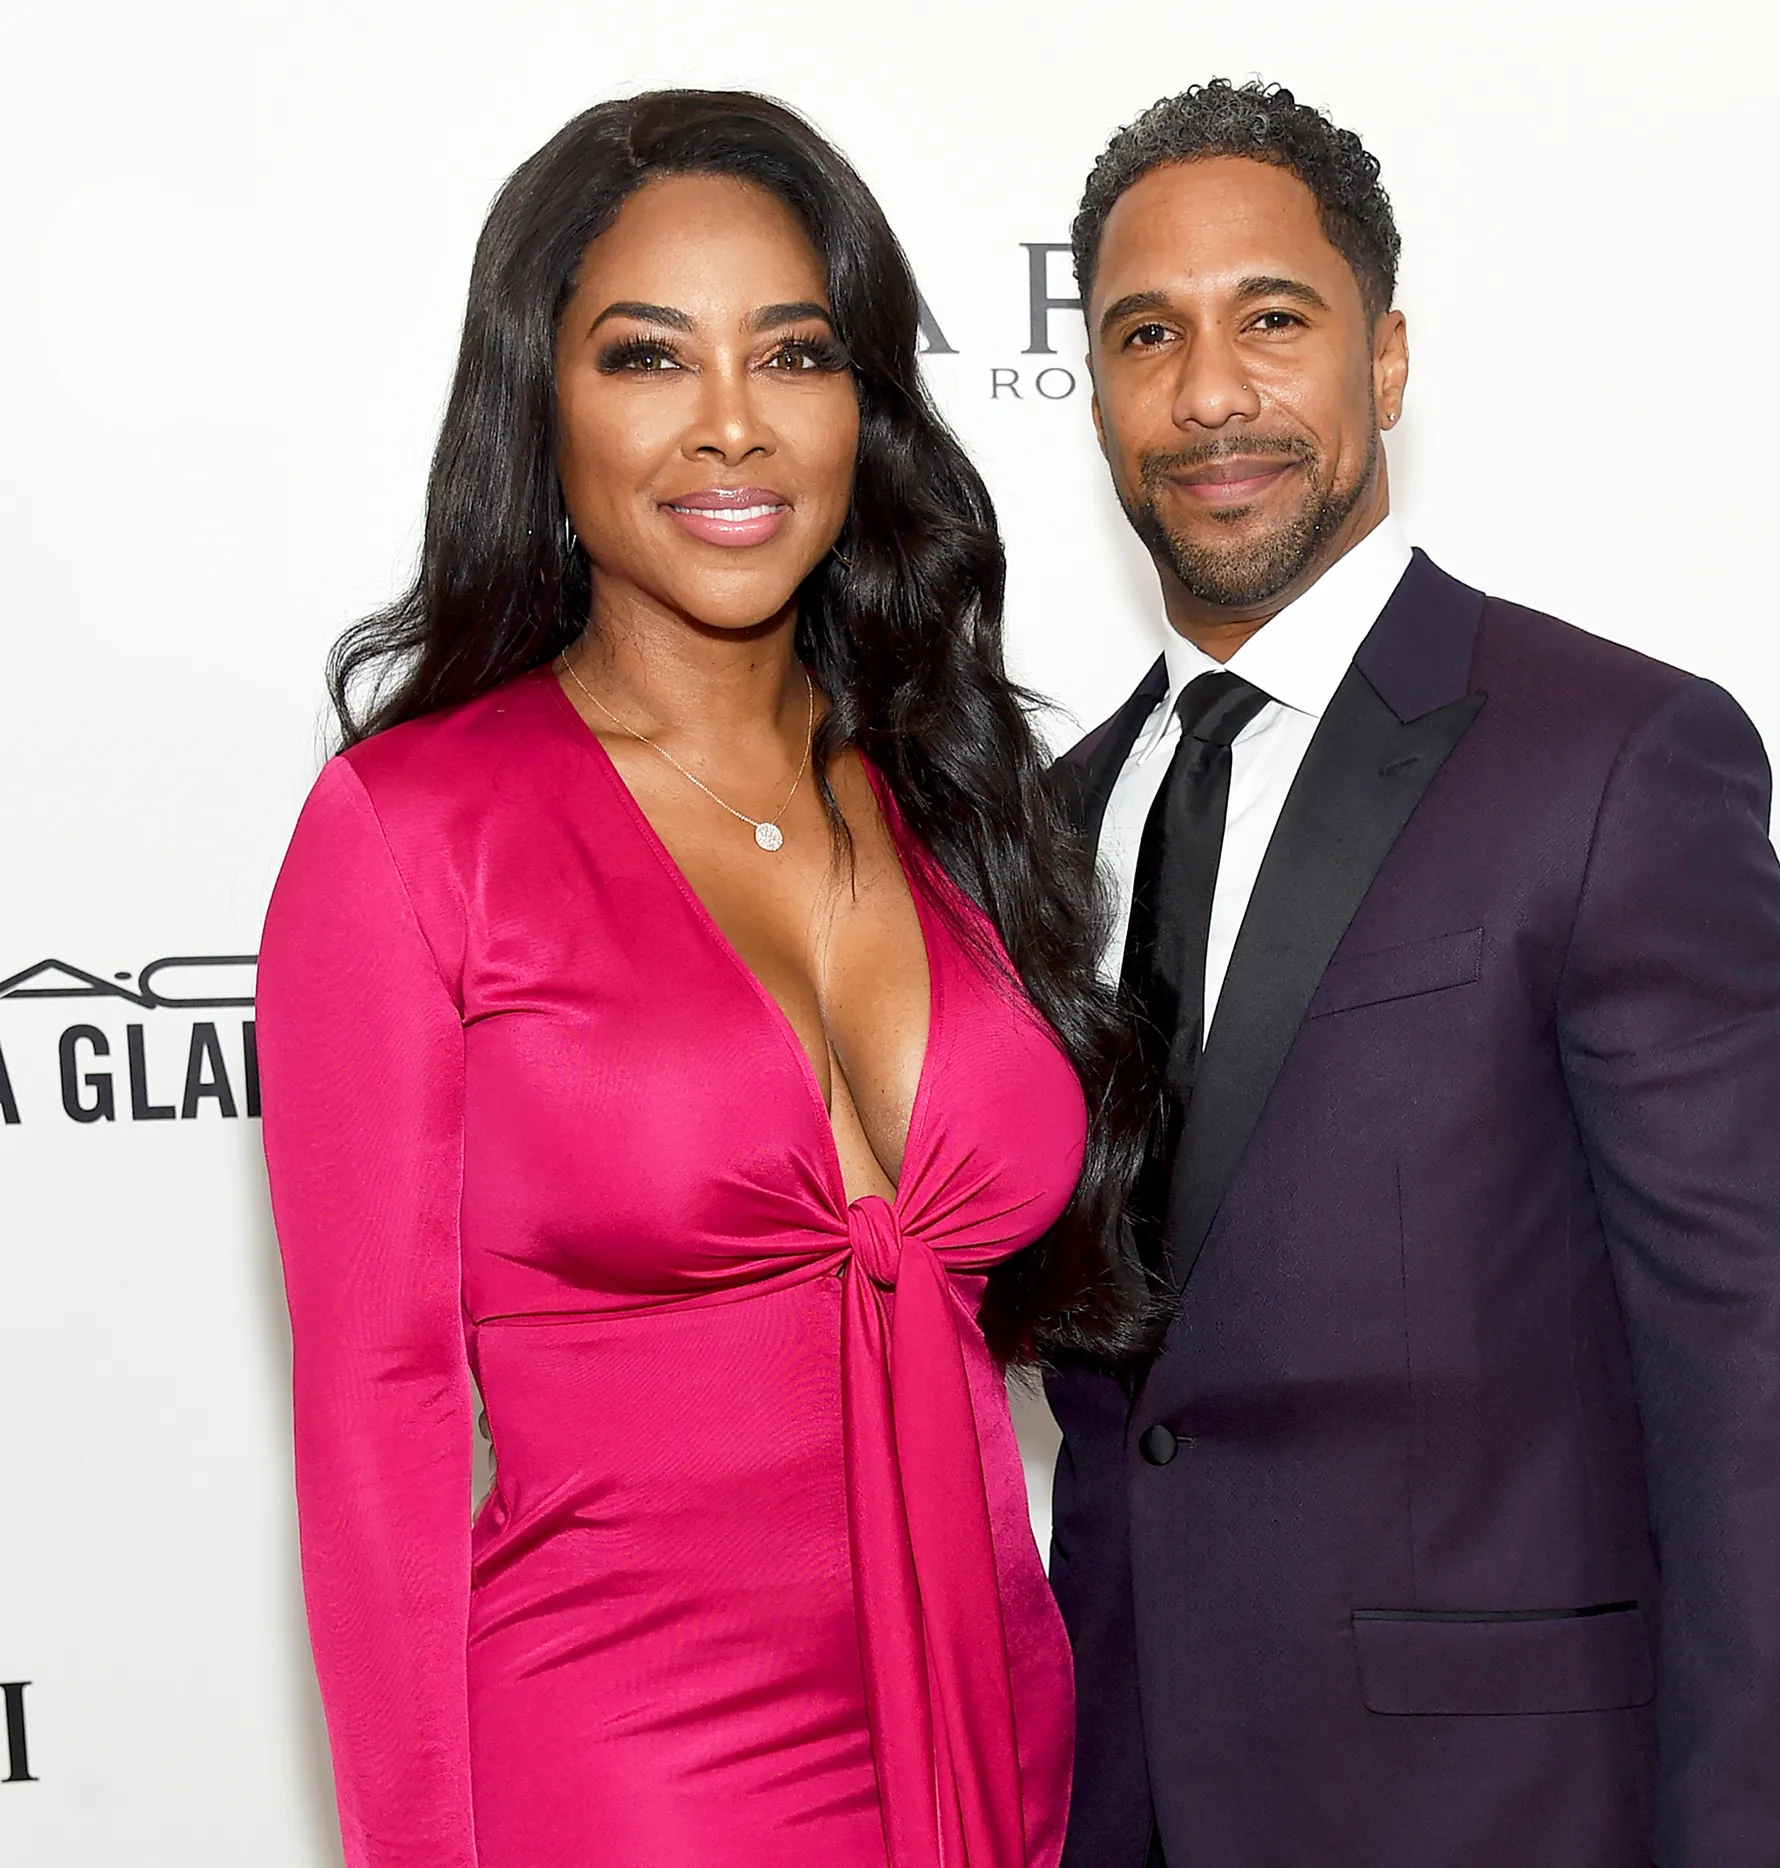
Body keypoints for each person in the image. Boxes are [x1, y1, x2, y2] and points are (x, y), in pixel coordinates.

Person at [258, 90, 1153, 1868]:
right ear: (543, 404)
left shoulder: (955, 793)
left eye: (795, 354)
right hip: (625, 1770)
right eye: (648, 359)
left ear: (864, 406)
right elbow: (382, 1422)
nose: (731, 428)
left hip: (995, 1735)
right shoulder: (414, 832)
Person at [1044, 79, 1780, 1868]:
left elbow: (1766, 1405)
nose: (1209, 394)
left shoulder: (1615, 758)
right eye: (1146, 335)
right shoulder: (1050, 822)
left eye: (1274, 319)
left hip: (1494, 1817)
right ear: (1097, 389)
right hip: (1115, 1804)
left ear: (1387, 357)